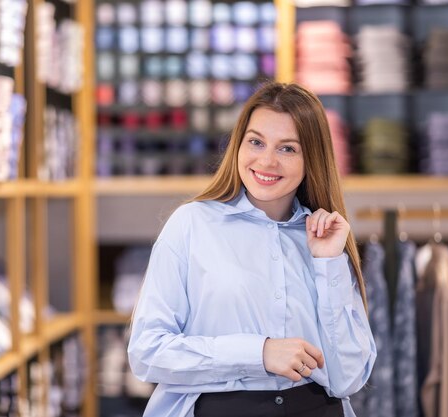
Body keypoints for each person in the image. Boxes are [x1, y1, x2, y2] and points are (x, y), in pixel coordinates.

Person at [127, 81, 377, 417]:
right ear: (238, 146)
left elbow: (348, 378)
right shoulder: (191, 225)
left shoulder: (325, 239)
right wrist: (258, 353)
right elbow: (146, 352)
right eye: (256, 142)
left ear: (311, 159)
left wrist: (329, 262)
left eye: (287, 148)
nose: (267, 161)